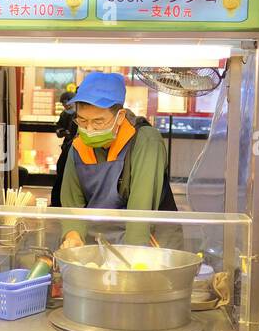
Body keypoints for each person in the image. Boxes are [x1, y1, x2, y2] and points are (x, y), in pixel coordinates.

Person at [58, 71, 178, 247]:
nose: (89, 129)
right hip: (98, 243)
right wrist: (73, 236)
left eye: (98, 122)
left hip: (149, 243)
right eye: (82, 121)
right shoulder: (78, 145)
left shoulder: (145, 141)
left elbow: (140, 212)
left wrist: (131, 259)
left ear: (120, 117)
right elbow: (72, 203)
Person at [50, 87, 78, 207]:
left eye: (69, 106)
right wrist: (61, 131)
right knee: (61, 174)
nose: (67, 108)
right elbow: (58, 127)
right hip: (67, 148)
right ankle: (57, 203)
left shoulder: (80, 113)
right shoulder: (65, 114)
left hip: (75, 148)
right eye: (65, 106)